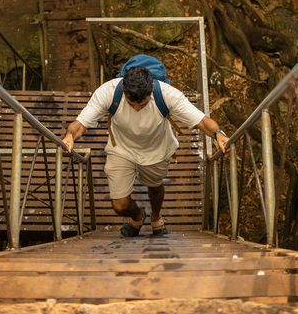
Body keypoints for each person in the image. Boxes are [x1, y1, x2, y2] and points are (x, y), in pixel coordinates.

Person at [62, 65, 230, 237]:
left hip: (157, 149)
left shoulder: (167, 95)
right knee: (119, 205)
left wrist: (218, 134)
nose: (136, 108)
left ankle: (156, 217)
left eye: (141, 104)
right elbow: (81, 123)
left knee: (155, 187)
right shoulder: (109, 92)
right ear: (124, 90)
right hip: (121, 149)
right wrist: (70, 136)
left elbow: (202, 122)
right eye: (130, 103)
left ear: (150, 92)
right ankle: (137, 216)